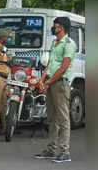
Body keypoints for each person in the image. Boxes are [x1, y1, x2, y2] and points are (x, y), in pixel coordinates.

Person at [34, 17, 77, 163]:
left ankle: (65, 152)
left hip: (60, 84)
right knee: (51, 118)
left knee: (63, 118)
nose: (54, 28)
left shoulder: (69, 44)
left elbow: (63, 67)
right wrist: (42, 80)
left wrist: (48, 82)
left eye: (56, 26)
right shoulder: (55, 42)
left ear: (62, 28)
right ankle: (51, 150)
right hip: (51, 83)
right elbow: (50, 64)